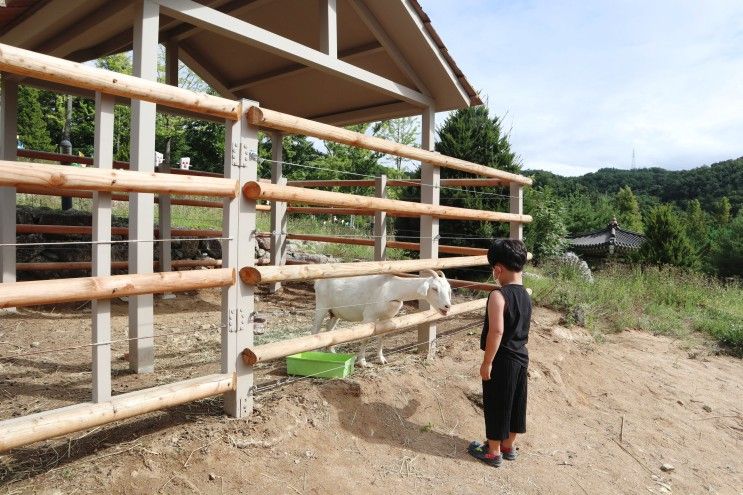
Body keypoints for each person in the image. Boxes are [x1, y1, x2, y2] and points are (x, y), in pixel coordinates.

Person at [468, 239, 531, 467]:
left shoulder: (498, 296)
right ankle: (508, 445)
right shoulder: (526, 294)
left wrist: (487, 362)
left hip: (502, 359)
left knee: (496, 403)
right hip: (521, 357)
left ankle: (493, 451)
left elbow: (496, 330)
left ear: (498, 269)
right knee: (515, 402)